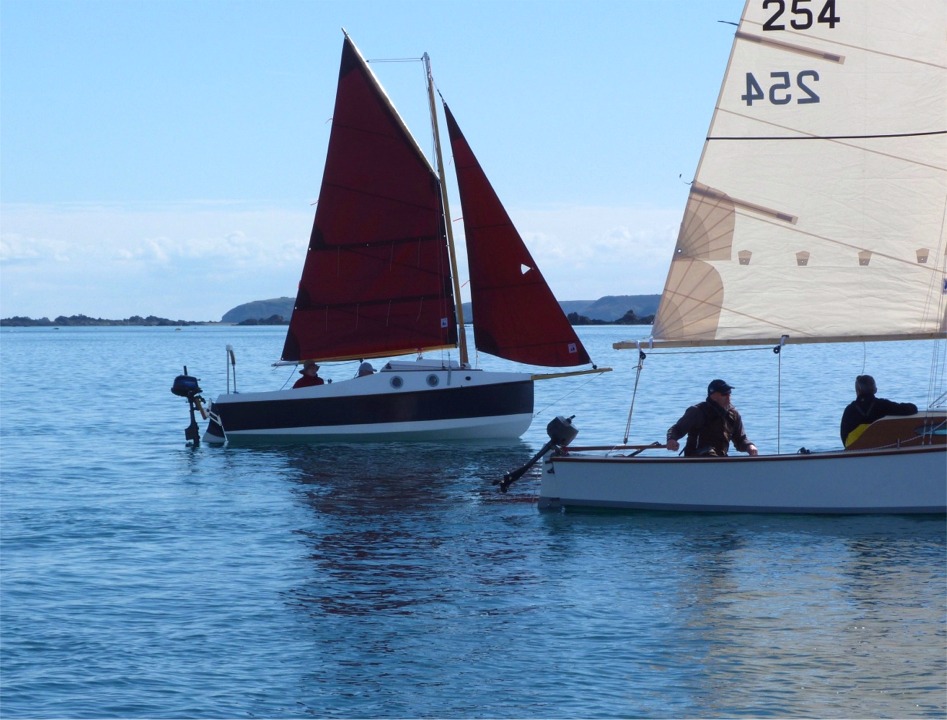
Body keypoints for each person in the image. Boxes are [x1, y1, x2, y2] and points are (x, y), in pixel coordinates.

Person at [666, 379, 759, 457]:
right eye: (724, 394)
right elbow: (677, 429)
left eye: (729, 393)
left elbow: (740, 439)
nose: (728, 397)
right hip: (695, 461)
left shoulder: (733, 415)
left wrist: (749, 446)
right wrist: (671, 439)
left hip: (720, 461)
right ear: (713, 396)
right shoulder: (697, 411)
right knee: (708, 452)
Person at [839, 374, 918, 447]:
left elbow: (844, 435)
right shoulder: (882, 404)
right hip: (877, 445)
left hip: (854, 447)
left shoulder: (849, 409)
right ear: (875, 390)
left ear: (858, 391)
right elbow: (911, 409)